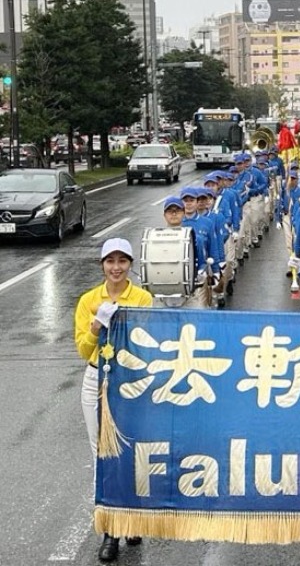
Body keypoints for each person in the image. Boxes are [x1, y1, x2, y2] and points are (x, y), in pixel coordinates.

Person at [74, 238, 153, 562]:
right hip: (97, 380)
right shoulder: (89, 300)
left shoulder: (142, 298)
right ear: (102, 265)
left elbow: (147, 344)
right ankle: (110, 531)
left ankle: (132, 520)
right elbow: (82, 350)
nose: (116, 268)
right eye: (110, 262)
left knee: (131, 450)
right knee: (103, 457)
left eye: (122, 261)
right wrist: (95, 326)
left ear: (130, 265)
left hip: (131, 381)